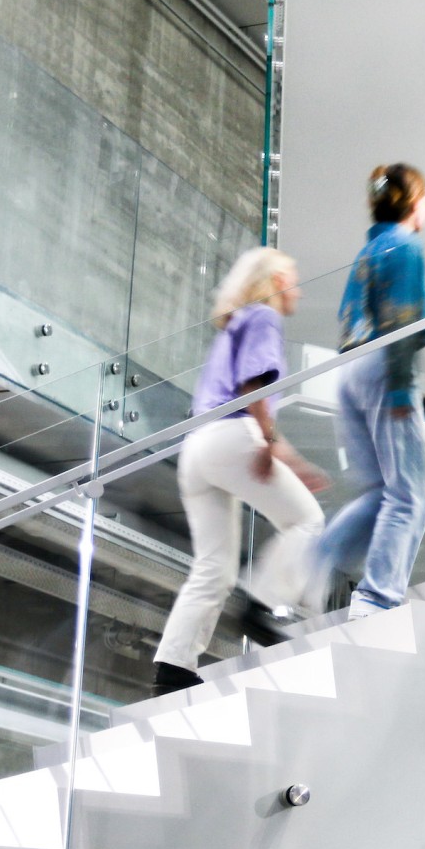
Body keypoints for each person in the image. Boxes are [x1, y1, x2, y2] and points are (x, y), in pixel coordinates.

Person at [152, 247, 329, 695]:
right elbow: (253, 389)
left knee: (214, 567)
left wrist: (291, 461)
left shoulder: (235, 325)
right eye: (292, 279)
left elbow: (248, 399)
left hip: (197, 449)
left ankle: (173, 669)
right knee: (309, 522)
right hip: (232, 435)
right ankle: (264, 602)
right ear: (273, 282)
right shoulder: (265, 317)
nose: (298, 290)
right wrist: (267, 443)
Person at [315, 163, 425, 618]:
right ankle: (377, 599)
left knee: (378, 494)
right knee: (408, 496)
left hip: (351, 370)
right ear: (413, 202)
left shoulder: (370, 252)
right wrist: (404, 393)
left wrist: (417, 397)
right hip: (387, 367)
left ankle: (309, 565)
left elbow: (363, 321)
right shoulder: (406, 247)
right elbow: (401, 321)